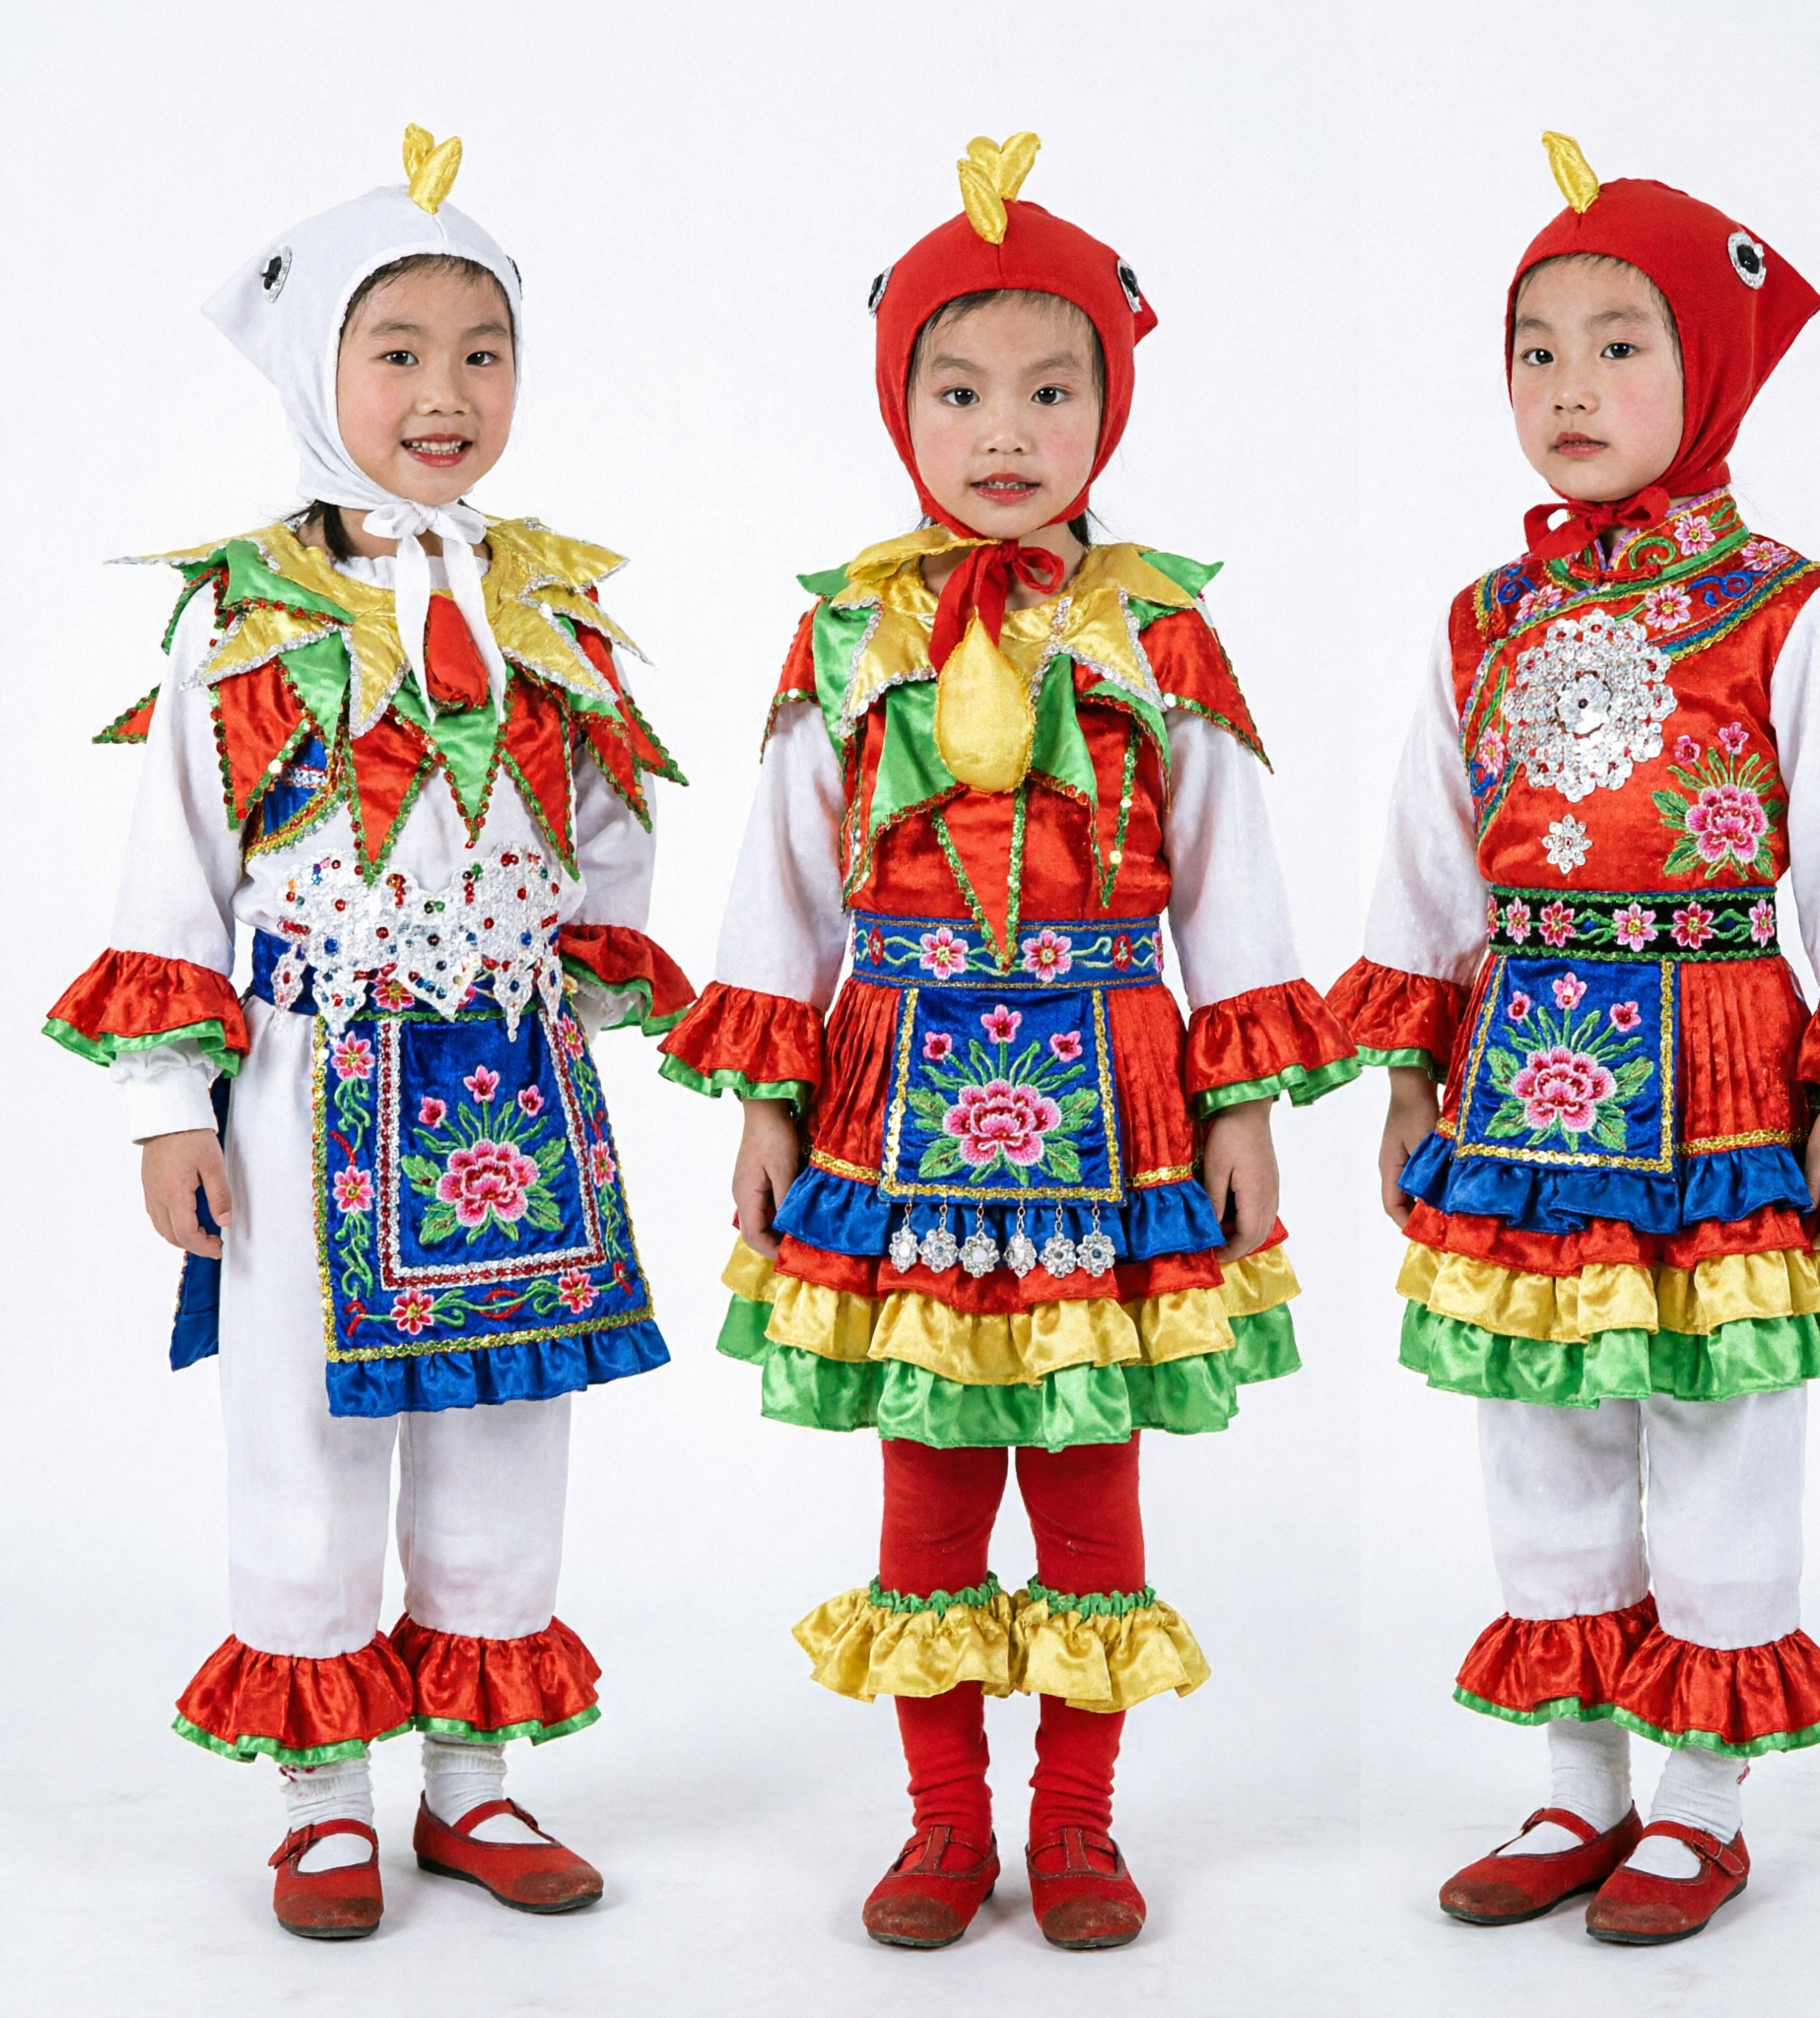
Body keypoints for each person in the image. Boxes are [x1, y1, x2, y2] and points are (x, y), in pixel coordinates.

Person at [661, 134, 1355, 1951]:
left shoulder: (1160, 635)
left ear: (1107, 408)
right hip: (896, 1110)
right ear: (902, 407)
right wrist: (768, 1098)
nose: (1004, 431)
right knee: (929, 1475)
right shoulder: (848, 633)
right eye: (959, 391)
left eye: (1052, 392)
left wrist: (1245, 1103)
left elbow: (1231, 878)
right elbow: (782, 883)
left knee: (1094, 1477)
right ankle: (944, 1827)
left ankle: (1080, 1826)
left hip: (1117, 1109)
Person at [1328, 133, 1820, 1946]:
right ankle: (1574, 1784)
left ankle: (1701, 1802)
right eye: (1535, 347)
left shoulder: (1787, 608)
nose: (1567, 386)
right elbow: (1431, 854)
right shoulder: (1488, 618)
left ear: (1712, 370)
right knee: (1542, 1413)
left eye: (1620, 343)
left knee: (1714, 1412)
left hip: (1721, 1079)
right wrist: (1405, 1065)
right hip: (1525, 1073)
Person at [44, 127, 691, 1940]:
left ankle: (475, 1790)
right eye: (395, 350)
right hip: (306, 1086)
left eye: (481, 352)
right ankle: (326, 1803)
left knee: (508, 1422)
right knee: (305, 1433)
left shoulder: (553, 602)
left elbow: (615, 823)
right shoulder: (243, 617)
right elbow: (176, 863)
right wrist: (173, 1099)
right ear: (314, 371)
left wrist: (579, 992)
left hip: (509, 1085)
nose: (444, 392)